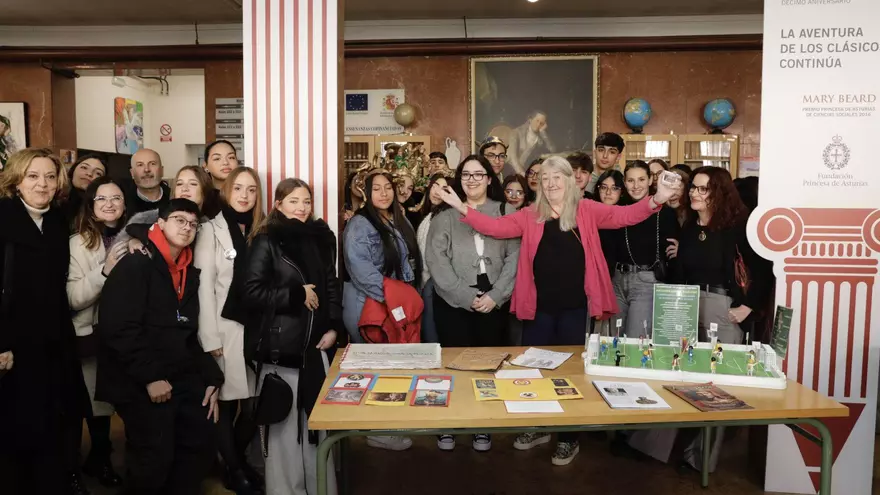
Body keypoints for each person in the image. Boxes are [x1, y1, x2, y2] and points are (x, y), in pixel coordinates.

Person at [437, 155, 677, 466]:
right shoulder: (529, 215)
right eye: (546, 179)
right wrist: (461, 207)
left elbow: (624, 216)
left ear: (569, 181)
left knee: (571, 375)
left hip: (575, 307)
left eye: (557, 178)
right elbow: (494, 228)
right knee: (535, 370)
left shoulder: (586, 210)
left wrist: (656, 199)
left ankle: (568, 438)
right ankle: (539, 428)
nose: (551, 184)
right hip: (540, 308)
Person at [96, 198, 223, 495]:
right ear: (161, 223)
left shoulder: (187, 271)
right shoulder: (136, 264)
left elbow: (186, 333)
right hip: (141, 379)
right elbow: (118, 328)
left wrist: (211, 378)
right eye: (179, 220)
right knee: (154, 461)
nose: (187, 227)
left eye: (192, 224)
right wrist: (150, 377)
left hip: (178, 374)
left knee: (198, 446)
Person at [0, 148, 91, 495]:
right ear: (17, 180)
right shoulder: (3, 218)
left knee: (56, 423)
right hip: (14, 347)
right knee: (16, 432)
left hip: (54, 342)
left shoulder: (56, 221)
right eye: (33, 176)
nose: (43, 184)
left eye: (50, 177)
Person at [242, 178, 340, 495]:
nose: (301, 207)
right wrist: (295, 294)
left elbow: (331, 287)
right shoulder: (266, 240)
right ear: (278, 204)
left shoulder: (321, 239)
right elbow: (252, 293)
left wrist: (334, 327)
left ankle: (319, 487)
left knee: (316, 425)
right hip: (280, 349)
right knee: (283, 431)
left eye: (306, 201)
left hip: (317, 347)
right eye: (294, 201)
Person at [426, 155, 519, 453]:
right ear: (459, 179)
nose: (472, 179)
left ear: (490, 179)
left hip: (494, 299)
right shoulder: (443, 217)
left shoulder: (507, 212)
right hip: (453, 301)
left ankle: (483, 423)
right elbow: (437, 263)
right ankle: (449, 423)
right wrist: (465, 297)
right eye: (466, 174)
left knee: (487, 365)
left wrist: (497, 295)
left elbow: (515, 259)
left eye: (479, 174)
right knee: (453, 365)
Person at [194, 167, 264, 494]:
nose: (245, 196)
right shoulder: (210, 230)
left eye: (251, 190)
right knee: (224, 404)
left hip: (256, 329)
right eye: (239, 188)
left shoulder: (262, 229)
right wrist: (209, 338)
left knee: (254, 404)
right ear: (226, 190)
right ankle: (235, 470)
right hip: (224, 329)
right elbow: (204, 288)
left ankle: (234, 458)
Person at [342, 170, 419, 452]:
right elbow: (361, 270)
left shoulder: (395, 218)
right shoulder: (361, 224)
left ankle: (386, 424)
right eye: (377, 189)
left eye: (388, 187)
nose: (384, 193)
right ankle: (377, 430)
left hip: (388, 303)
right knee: (374, 368)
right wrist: (396, 297)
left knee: (388, 367)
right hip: (368, 305)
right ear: (366, 193)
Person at [67, 176, 127, 491]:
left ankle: (103, 457)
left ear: (125, 203)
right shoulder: (77, 243)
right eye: (101, 199)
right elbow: (74, 297)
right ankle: (95, 461)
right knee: (93, 404)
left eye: (115, 197)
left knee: (118, 402)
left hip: (126, 336)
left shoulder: (137, 238)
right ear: (91, 206)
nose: (109, 204)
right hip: (91, 335)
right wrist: (104, 270)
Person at [670, 167, 770, 345]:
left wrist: (748, 306)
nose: (694, 193)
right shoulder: (689, 227)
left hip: (723, 306)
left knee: (720, 365)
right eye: (693, 187)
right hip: (689, 306)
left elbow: (762, 270)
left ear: (719, 193)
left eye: (703, 189)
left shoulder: (738, 226)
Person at [606, 161, 679, 338]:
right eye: (631, 180)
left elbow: (674, 249)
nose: (636, 185)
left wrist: (680, 249)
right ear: (624, 182)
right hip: (617, 281)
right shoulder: (618, 209)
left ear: (649, 181)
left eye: (641, 179)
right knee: (613, 338)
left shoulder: (665, 212)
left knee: (636, 339)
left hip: (647, 281)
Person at [114, 166, 215, 255]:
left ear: (204, 190)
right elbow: (116, 255)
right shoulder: (145, 219)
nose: (184, 188)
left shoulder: (212, 227)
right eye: (179, 184)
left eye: (193, 184)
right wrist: (132, 241)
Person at [416, 172, 452, 344]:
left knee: (433, 336)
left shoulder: (446, 217)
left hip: (435, 284)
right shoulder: (429, 215)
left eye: (444, 188)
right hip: (426, 283)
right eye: (435, 186)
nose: (437, 191)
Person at [123, 148, 171, 215]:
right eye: (140, 165)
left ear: (161, 170)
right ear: (132, 173)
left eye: (152, 164)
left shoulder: (174, 198)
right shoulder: (122, 204)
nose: (146, 169)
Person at [507, 111, 556, 175]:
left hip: (530, 171)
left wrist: (543, 133)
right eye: (537, 121)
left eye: (541, 123)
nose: (538, 124)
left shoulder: (541, 136)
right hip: (513, 170)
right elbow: (513, 159)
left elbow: (553, 150)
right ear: (530, 120)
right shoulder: (516, 132)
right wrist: (522, 174)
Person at [63, 154, 107, 224]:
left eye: (98, 173)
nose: (89, 174)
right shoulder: (55, 202)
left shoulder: (103, 211)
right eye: (84, 167)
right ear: (73, 170)